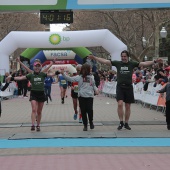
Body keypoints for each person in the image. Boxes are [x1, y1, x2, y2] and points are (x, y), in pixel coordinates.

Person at [88, 50, 163, 130]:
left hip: (128, 87)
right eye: (122, 56)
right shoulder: (118, 63)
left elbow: (143, 63)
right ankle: (121, 122)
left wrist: (154, 61)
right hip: (120, 86)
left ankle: (126, 123)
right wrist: (95, 58)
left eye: (125, 56)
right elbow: (106, 61)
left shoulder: (132, 63)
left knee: (127, 106)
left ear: (128, 57)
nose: (123, 58)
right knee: (120, 104)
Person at [6, 60, 55, 131]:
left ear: (40, 67)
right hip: (34, 93)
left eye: (38, 66)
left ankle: (38, 125)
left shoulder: (42, 74)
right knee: (34, 109)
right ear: (34, 67)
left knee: (39, 111)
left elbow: (51, 74)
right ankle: (32, 125)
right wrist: (12, 78)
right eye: (36, 66)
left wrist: (58, 72)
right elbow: (21, 78)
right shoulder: (31, 74)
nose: (37, 68)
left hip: (41, 93)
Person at [60, 64, 99, 131]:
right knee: (83, 111)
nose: (91, 70)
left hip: (90, 96)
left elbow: (94, 85)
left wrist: (96, 90)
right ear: (85, 69)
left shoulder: (92, 77)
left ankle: (91, 122)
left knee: (90, 110)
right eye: (90, 69)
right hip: (81, 96)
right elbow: (70, 79)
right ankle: (85, 125)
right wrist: (63, 74)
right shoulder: (79, 77)